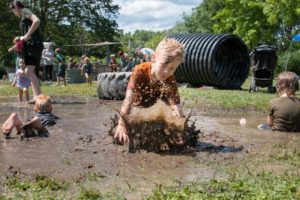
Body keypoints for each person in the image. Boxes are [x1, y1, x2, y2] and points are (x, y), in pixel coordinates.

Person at [114, 38, 185, 144]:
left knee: (169, 119)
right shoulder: (140, 71)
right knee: (134, 127)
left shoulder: (170, 79)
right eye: (164, 65)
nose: (166, 72)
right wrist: (121, 124)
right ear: (154, 58)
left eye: (172, 68)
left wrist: (180, 128)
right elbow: (129, 99)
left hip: (155, 105)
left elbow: (176, 106)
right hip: (138, 105)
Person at [10, 0, 43, 103]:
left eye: (13, 10)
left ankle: (38, 97)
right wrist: (18, 44)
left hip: (34, 46)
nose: (13, 13)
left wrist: (28, 35)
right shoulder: (23, 17)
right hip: (30, 46)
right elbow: (24, 37)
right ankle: (37, 97)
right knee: (30, 72)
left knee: (29, 71)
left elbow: (36, 21)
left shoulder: (25, 11)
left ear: (15, 7)